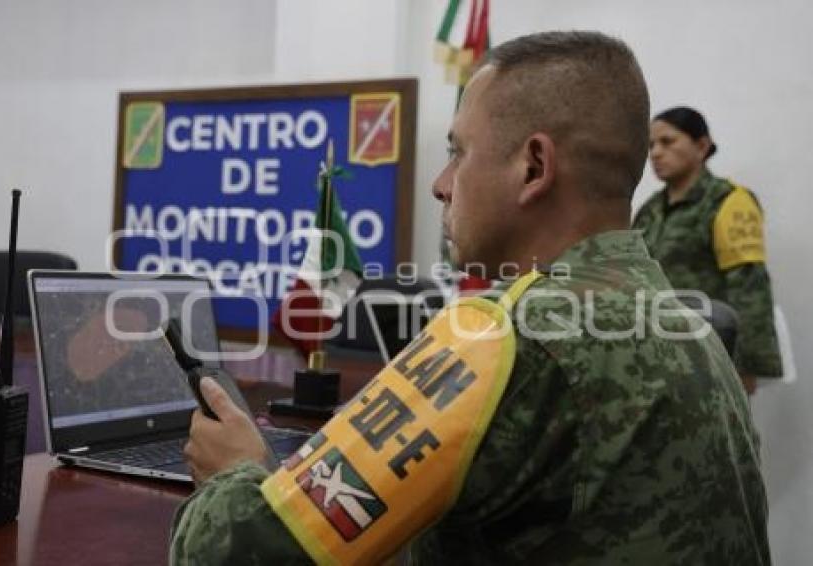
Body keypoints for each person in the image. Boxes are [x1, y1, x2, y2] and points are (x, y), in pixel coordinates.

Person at [170, 32, 770, 564]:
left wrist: (235, 474)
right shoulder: (686, 320)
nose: (440, 183)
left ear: (534, 167)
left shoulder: (501, 338)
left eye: (458, 151)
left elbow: (241, 553)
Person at [633, 107, 783, 394]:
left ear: (701, 146)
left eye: (668, 142)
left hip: (713, 357)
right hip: (658, 357)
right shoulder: (650, 211)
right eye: (651, 145)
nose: (655, 153)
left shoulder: (728, 201)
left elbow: (749, 287)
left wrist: (746, 366)